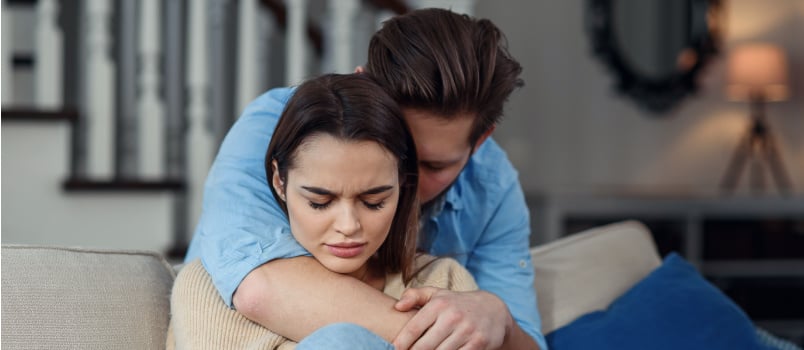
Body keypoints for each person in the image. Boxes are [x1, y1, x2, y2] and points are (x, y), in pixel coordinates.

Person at [185, 8, 546, 350]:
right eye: (320, 200)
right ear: (364, 90)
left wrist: (500, 320)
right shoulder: (274, 128)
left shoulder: (492, 187)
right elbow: (260, 288)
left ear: (480, 143)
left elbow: (523, 340)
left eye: (433, 167)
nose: (405, 183)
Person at [169, 73, 479, 349]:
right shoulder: (207, 289)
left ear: (400, 184)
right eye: (320, 202)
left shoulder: (443, 284)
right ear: (279, 182)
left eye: (374, 202)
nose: (348, 226)